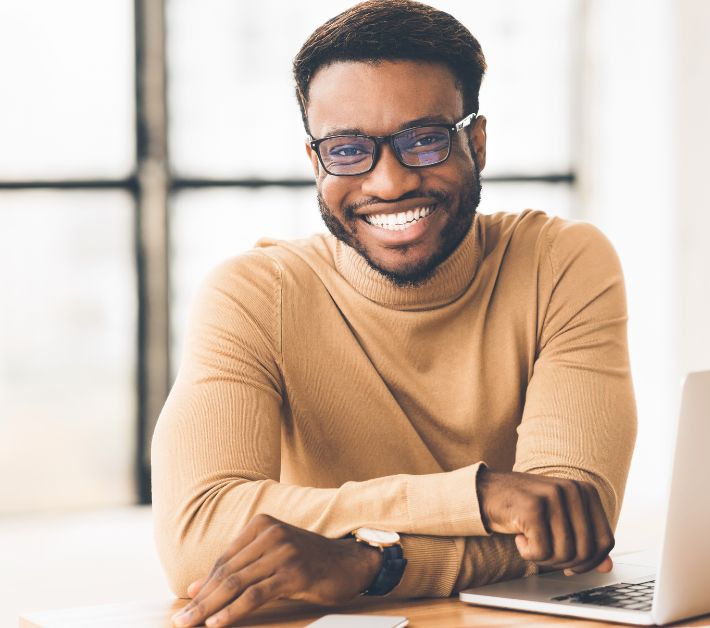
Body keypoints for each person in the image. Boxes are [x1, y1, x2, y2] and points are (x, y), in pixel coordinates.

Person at [151, 2, 637, 626]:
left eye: (425, 140)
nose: (387, 183)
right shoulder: (253, 294)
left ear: (477, 143)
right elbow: (196, 538)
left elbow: (569, 527)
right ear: (315, 162)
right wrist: (480, 497)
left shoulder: (560, 263)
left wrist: (369, 565)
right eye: (349, 150)